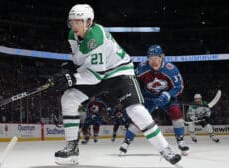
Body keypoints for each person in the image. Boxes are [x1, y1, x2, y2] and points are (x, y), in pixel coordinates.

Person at [48, 4, 181, 166]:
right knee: (69, 98)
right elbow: (79, 61)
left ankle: (165, 149)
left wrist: (71, 78)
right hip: (96, 72)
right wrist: (67, 69)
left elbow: (95, 76)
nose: (74, 25)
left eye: (78, 21)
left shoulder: (95, 38)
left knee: (136, 110)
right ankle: (72, 149)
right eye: (72, 22)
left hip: (119, 73)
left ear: (89, 22)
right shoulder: (72, 35)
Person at [119, 45, 189, 156]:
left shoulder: (171, 69)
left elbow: (179, 87)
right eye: (150, 58)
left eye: (156, 57)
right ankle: (126, 142)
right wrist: (136, 95)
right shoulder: (142, 67)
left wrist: (168, 95)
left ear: (162, 57)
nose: (153, 61)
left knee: (177, 114)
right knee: (138, 117)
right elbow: (132, 82)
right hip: (148, 97)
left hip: (166, 97)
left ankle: (181, 141)